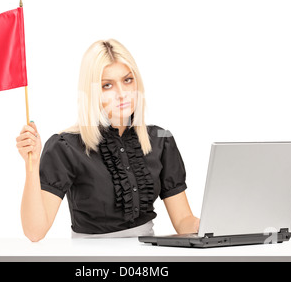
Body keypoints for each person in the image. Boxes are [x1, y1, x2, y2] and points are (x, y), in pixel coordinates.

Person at [16, 39, 200, 241]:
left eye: (128, 80)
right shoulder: (65, 147)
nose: (122, 94)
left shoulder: (160, 140)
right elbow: (35, 232)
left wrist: (209, 225)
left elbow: (183, 220)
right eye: (107, 85)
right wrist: (31, 166)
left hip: (146, 261)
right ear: (91, 92)